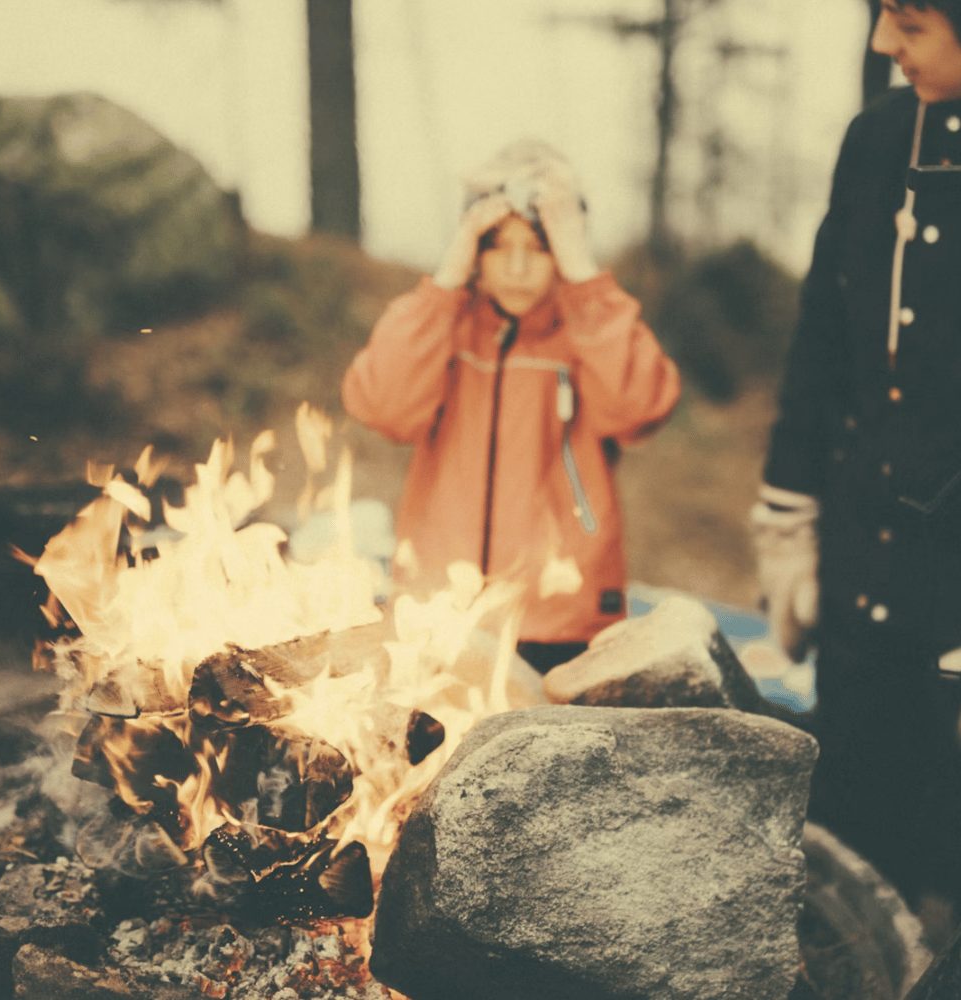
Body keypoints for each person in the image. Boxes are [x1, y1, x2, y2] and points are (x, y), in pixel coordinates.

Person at [752, 0, 961, 915]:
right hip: (859, 553)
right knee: (846, 831)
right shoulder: (876, 138)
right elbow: (823, 345)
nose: (884, 44)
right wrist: (789, 519)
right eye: (881, 16)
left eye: (910, 23)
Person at [342, 140, 680, 674]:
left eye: (540, 245)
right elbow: (382, 405)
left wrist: (583, 277)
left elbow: (640, 407)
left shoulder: (588, 329)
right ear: (474, 248)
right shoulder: (444, 327)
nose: (519, 266)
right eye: (499, 245)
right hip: (439, 613)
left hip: (559, 621)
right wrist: (446, 280)